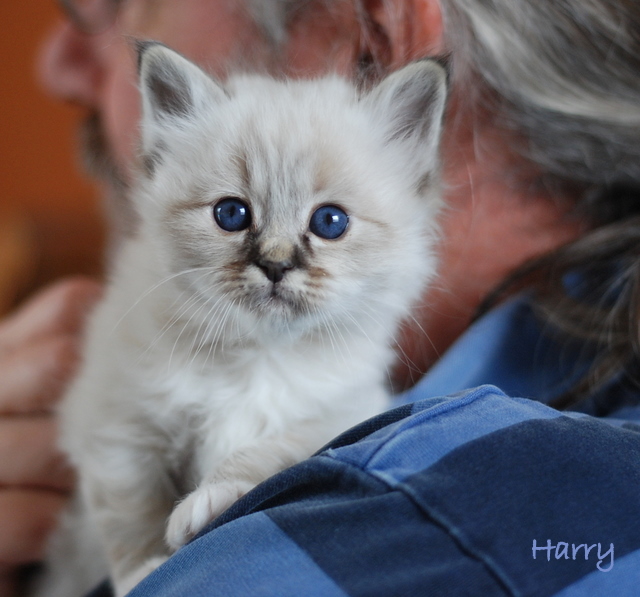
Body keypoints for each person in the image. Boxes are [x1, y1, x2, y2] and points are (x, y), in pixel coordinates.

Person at [2, 0, 640, 594]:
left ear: (371, 42)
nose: (56, 66)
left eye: (114, 4)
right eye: (232, 214)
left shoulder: (407, 519)